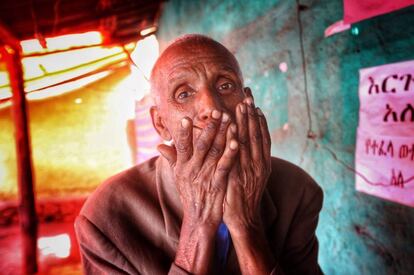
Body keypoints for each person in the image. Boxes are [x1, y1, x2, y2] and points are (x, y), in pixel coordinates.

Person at [75, 34, 324, 275]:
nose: (211, 107)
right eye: (184, 93)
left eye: (225, 86)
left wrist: (246, 227)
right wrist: (198, 224)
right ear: (160, 123)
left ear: (247, 100)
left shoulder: (298, 191)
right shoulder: (106, 217)